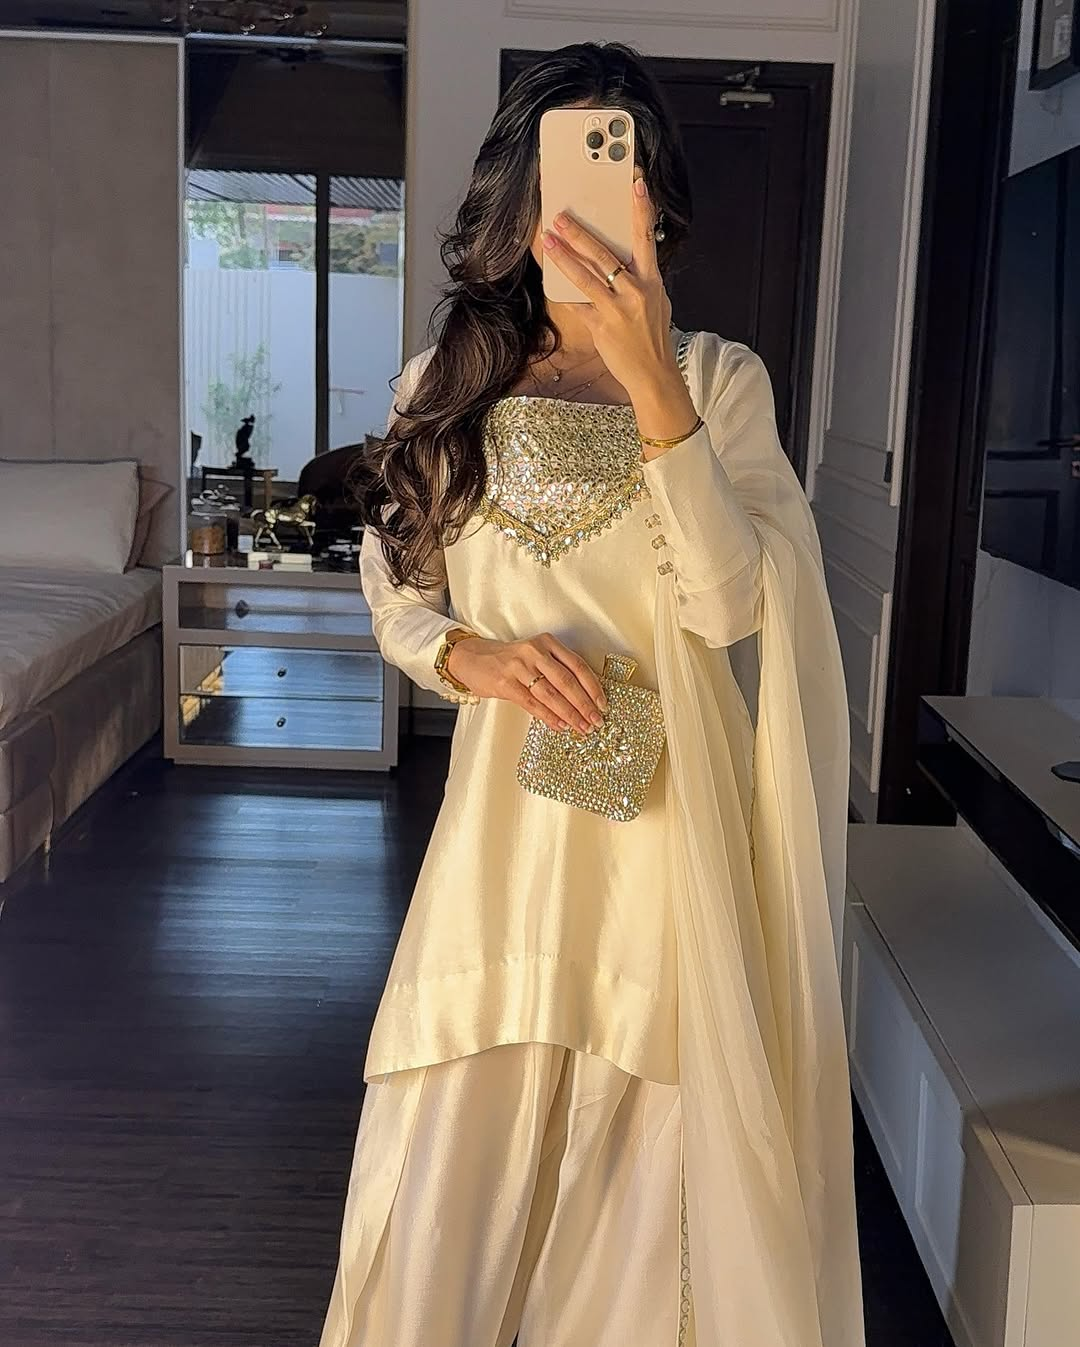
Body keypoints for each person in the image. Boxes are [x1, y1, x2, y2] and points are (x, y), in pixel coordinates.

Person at [319, 40, 865, 1347]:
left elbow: (730, 606)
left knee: (647, 1185)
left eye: (620, 173)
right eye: (564, 173)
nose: (590, 209)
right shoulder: (445, 388)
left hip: (670, 845)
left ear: (655, 202)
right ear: (517, 200)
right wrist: (467, 657)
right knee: (448, 1155)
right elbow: (396, 587)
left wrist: (653, 378)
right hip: (504, 839)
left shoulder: (718, 383)